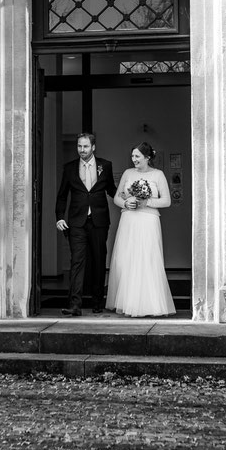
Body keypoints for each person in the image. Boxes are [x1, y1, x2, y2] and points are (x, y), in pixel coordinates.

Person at [106, 141, 175, 317]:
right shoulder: (128, 173)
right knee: (127, 258)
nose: (133, 159)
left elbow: (166, 201)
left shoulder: (158, 175)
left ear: (147, 157)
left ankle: (150, 304)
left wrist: (146, 202)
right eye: (132, 156)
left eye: (137, 156)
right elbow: (116, 197)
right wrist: (126, 202)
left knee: (148, 258)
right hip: (129, 220)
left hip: (148, 220)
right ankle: (127, 302)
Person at [55, 133, 117, 316]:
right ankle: (75, 305)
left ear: (93, 147)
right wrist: (59, 217)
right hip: (76, 222)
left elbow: (111, 189)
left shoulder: (105, 166)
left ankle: (98, 303)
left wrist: (127, 196)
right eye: (79, 147)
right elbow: (62, 195)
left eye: (86, 147)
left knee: (99, 261)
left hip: (99, 221)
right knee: (77, 262)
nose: (82, 150)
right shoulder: (69, 168)